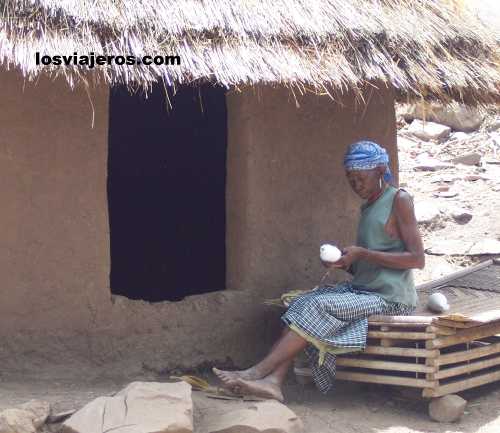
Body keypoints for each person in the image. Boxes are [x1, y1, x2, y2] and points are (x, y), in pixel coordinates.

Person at [213, 140, 425, 402]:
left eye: (360, 178)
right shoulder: (369, 205)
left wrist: (364, 253)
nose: (356, 185)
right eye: (350, 180)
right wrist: (347, 263)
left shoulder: (399, 200)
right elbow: (374, 264)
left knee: (318, 306)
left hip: (391, 300)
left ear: (381, 170)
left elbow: (417, 259)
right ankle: (273, 382)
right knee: (301, 301)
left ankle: (256, 372)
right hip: (366, 291)